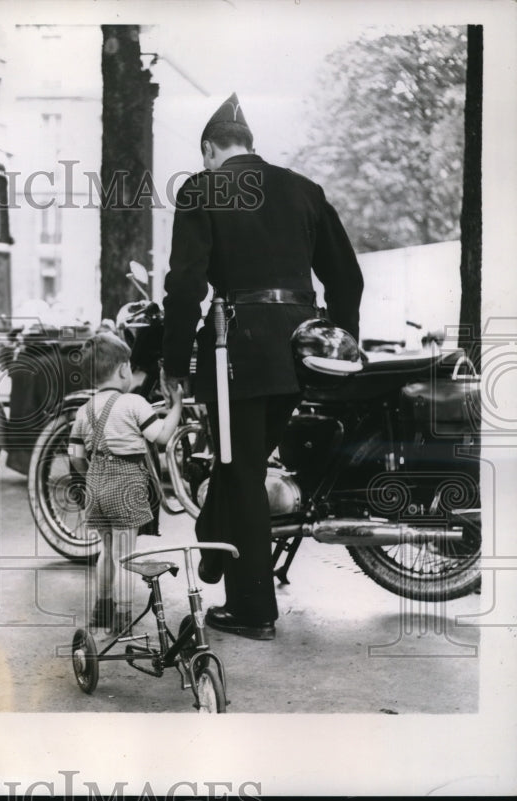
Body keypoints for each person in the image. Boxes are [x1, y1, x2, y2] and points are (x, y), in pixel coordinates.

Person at [162, 93, 363, 640]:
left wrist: (174, 361)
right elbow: (348, 281)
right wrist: (340, 349)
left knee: (242, 471)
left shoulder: (201, 188)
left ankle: (252, 608)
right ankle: (214, 549)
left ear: (209, 150)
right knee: (239, 465)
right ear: (249, 144)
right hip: (304, 352)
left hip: (238, 350)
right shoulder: (304, 189)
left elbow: (185, 286)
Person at [68, 332, 183, 634]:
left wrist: (92, 475)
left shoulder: (84, 410)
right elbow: (160, 436)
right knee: (126, 555)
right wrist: (177, 408)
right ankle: (122, 620)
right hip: (126, 482)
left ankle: (100, 612)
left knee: (106, 550)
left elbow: (76, 456)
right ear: (122, 370)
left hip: (95, 484)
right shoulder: (134, 403)